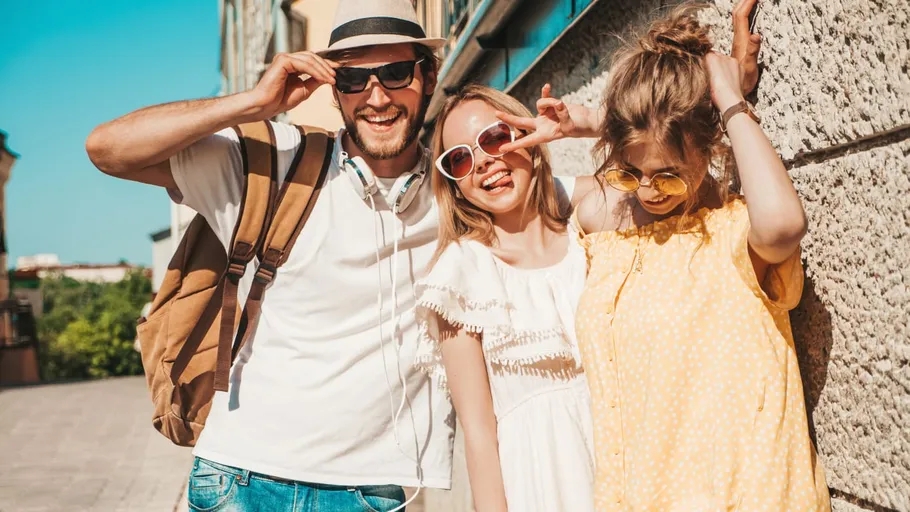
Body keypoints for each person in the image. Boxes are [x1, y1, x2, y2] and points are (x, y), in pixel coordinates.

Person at [87, 1, 453, 510]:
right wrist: (251, 105)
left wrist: (590, 124)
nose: (376, 96)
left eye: (395, 74)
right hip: (238, 478)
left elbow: (586, 204)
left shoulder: (464, 189)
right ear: (333, 90)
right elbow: (107, 148)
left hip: (371, 489)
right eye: (352, 79)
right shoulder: (277, 162)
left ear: (428, 77)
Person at [507, 4, 830, 510]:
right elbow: (507, 203)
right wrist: (595, 123)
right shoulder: (614, 237)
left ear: (709, 149)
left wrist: (729, 97)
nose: (648, 192)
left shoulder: (732, 238)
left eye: (669, 175)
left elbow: (784, 224)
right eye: (629, 174)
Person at [414, 85, 594, 512]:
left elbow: (669, 173)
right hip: (539, 486)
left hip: (634, 470)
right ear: (454, 185)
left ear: (529, 135)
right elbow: (478, 434)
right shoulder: (463, 275)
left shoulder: (589, 224)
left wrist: (586, 125)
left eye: (495, 138)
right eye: (459, 159)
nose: (482, 163)